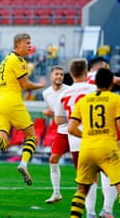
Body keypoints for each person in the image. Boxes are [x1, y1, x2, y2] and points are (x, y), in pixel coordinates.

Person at [68, 68, 120, 218]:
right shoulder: (115, 99)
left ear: (95, 82)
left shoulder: (83, 101)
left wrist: (88, 136)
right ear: (112, 83)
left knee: (82, 190)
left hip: (86, 149)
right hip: (108, 148)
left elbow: (71, 128)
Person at [0, 32, 46, 186]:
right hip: (12, 100)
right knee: (32, 136)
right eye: (27, 43)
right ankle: (23, 164)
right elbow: (26, 85)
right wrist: (41, 84)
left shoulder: (4, 61)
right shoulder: (19, 61)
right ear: (18, 45)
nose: (30, 46)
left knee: (3, 143)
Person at [54, 58, 97, 218]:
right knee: (108, 176)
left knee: (85, 180)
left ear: (70, 74)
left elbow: (58, 120)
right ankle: (107, 209)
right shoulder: (95, 89)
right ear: (86, 72)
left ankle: (90, 213)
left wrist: (73, 118)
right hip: (97, 138)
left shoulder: (64, 94)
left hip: (76, 141)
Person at [42, 65, 70, 204]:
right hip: (61, 131)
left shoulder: (69, 91)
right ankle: (56, 193)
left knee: (86, 163)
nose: (59, 76)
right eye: (57, 74)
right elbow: (56, 111)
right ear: (51, 76)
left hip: (76, 131)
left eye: (61, 74)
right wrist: (50, 113)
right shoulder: (46, 93)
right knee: (53, 159)